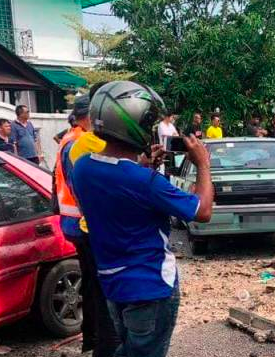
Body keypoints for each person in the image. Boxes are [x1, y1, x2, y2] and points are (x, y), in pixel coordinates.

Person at [72, 81, 214, 357]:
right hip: (151, 287)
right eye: (148, 125)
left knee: (127, 348)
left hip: (113, 283)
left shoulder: (83, 168)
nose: (151, 133)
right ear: (131, 124)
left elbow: (117, 180)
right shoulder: (145, 182)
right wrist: (203, 164)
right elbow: (203, 211)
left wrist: (143, 166)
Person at [53, 94, 118, 357]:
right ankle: (103, 344)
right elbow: (84, 186)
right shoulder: (80, 143)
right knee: (102, 290)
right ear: (90, 116)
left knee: (92, 285)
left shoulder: (68, 138)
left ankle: (92, 340)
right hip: (83, 224)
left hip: (73, 223)